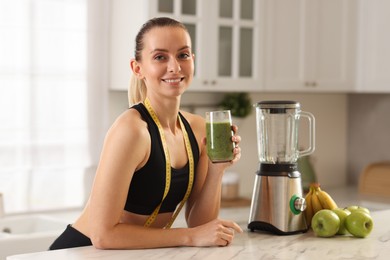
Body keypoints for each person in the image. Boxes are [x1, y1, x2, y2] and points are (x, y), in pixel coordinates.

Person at [49, 17, 242, 250]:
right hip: (81, 251)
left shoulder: (198, 128)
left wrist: (216, 169)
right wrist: (188, 237)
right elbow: (103, 235)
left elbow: (201, 224)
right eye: (160, 57)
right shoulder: (132, 130)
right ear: (137, 68)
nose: (174, 66)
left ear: (193, 60)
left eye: (183, 55)